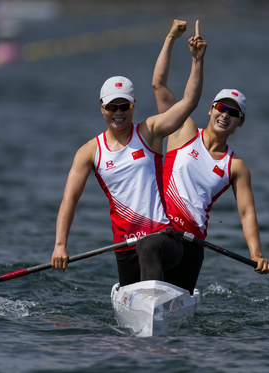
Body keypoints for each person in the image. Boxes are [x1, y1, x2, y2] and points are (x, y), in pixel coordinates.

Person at [51, 21, 207, 291]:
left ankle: (154, 305)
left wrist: (196, 61)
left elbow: (189, 102)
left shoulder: (150, 132)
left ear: (133, 106)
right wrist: (60, 246)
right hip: (124, 246)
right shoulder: (89, 151)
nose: (118, 112)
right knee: (137, 264)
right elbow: (70, 199)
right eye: (112, 106)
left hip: (165, 239)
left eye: (124, 105)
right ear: (102, 108)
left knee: (149, 244)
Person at [152, 20, 269, 292]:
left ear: (239, 123)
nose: (225, 115)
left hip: (193, 244)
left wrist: (256, 255)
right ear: (210, 110)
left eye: (234, 113)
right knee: (153, 257)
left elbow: (246, 212)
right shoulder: (182, 130)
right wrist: (172, 39)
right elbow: (159, 85)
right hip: (159, 235)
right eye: (221, 107)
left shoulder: (236, 166)